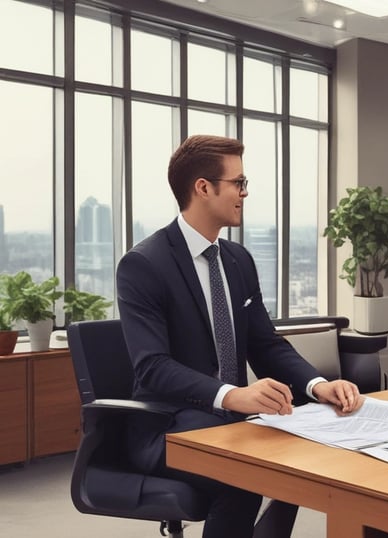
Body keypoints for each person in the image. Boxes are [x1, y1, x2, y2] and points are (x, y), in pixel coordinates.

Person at [116, 134, 364, 538]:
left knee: (304, 458)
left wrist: (319, 385)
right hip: (167, 426)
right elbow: (152, 368)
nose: (245, 193)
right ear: (203, 188)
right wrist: (232, 395)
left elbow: (265, 344)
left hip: (231, 420)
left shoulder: (237, 261)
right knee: (247, 469)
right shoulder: (144, 264)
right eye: (239, 183)